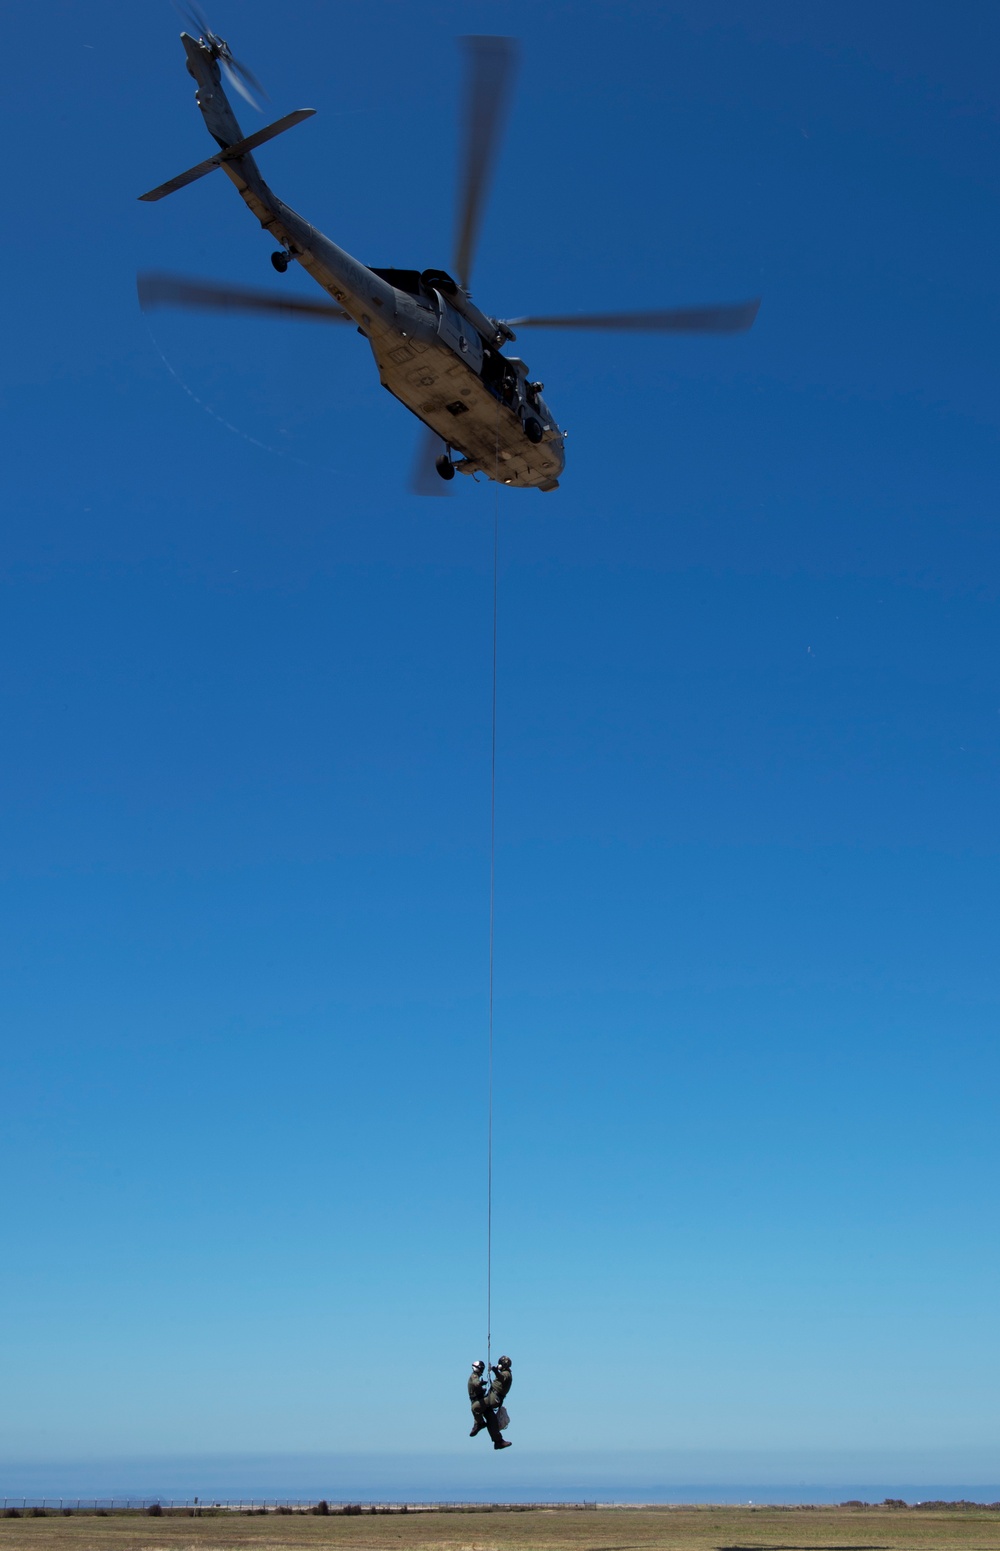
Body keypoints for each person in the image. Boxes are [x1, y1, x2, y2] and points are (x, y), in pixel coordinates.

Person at [468, 1358, 512, 1450]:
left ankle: (479, 1423)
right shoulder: (474, 1376)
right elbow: (476, 1383)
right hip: (492, 1398)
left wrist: (495, 1371)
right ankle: (498, 1441)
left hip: (493, 1399)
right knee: (491, 1418)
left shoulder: (506, 1374)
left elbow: (501, 1377)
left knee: (475, 1408)